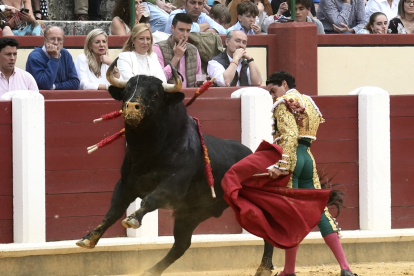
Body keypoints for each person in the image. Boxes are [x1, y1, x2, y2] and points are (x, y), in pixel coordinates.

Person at [265, 71, 356, 276]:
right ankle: (345, 267)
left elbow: (289, 136)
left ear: (284, 84)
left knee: (292, 215)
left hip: (293, 159)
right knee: (320, 211)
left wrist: (283, 165)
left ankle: (289, 270)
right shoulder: (309, 102)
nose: (273, 96)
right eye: (270, 93)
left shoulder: (282, 103)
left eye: (274, 90)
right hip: (308, 157)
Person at [153, 13, 201, 87]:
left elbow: (199, 75)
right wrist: (176, 57)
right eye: (181, 30)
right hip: (169, 96)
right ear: (172, 28)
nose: (185, 35)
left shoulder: (194, 50)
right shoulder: (158, 48)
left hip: (190, 95)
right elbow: (159, 80)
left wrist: (202, 81)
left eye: (188, 31)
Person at [26, 26, 79, 90]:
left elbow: (75, 83)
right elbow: (45, 85)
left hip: (64, 98)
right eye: (52, 39)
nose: (56, 42)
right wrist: (54, 58)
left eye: (59, 39)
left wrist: (55, 86)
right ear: (45, 40)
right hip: (42, 98)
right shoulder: (35, 57)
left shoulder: (65, 54)